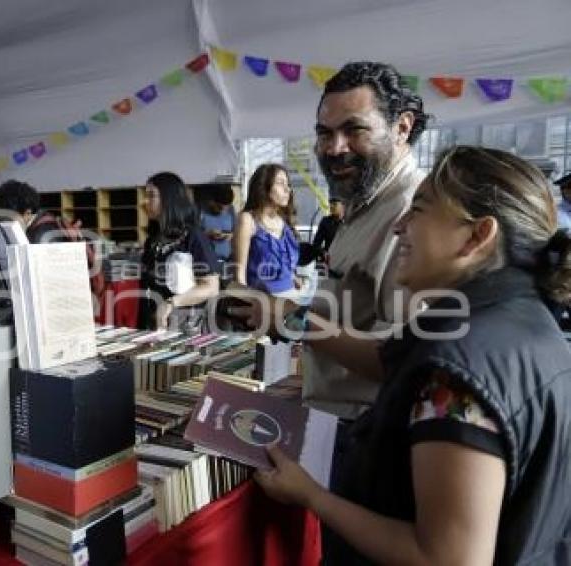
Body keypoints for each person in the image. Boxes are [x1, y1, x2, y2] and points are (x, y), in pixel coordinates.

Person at [256, 146, 571, 564]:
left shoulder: (457, 371)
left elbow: (447, 558)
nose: (398, 227)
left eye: (417, 211)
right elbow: (386, 360)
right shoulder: (521, 319)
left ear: (478, 235)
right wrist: (294, 319)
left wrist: (312, 495)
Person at [302, 61, 428, 420]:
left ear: (402, 127)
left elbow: (402, 359)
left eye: (354, 130)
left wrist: (293, 320)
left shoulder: (411, 210)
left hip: (367, 430)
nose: (335, 148)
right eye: (324, 134)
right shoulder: (365, 201)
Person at [140, 172, 220, 331]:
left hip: (187, 324)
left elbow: (211, 287)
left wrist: (171, 303)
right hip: (155, 322)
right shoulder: (153, 239)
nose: (145, 201)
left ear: (169, 199)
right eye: (145, 195)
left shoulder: (194, 237)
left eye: (151, 196)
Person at [234, 163, 302, 297]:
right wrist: (245, 302)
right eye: (280, 183)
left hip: (291, 298)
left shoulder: (284, 222)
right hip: (262, 302)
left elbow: (286, 266)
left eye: (288, 184)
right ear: (264, 186)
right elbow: (239, 274)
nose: (287, 189)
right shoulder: (248, 219)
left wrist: (294, 278)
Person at [0, 179, 60, 243]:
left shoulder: (44, 235)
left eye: (7, 219)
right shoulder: (32, 225)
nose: (3, 224)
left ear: (27, 214)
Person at [199, 184, 236, 263]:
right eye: (219, 207)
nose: (223, 211)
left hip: (227, 259)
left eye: (226, 207)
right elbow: (194, 235)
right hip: (208, 260)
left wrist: (230, 235)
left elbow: (236, 231)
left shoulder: (231, 210)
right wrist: (207, 234)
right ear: (212, 201)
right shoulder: (201, 211)